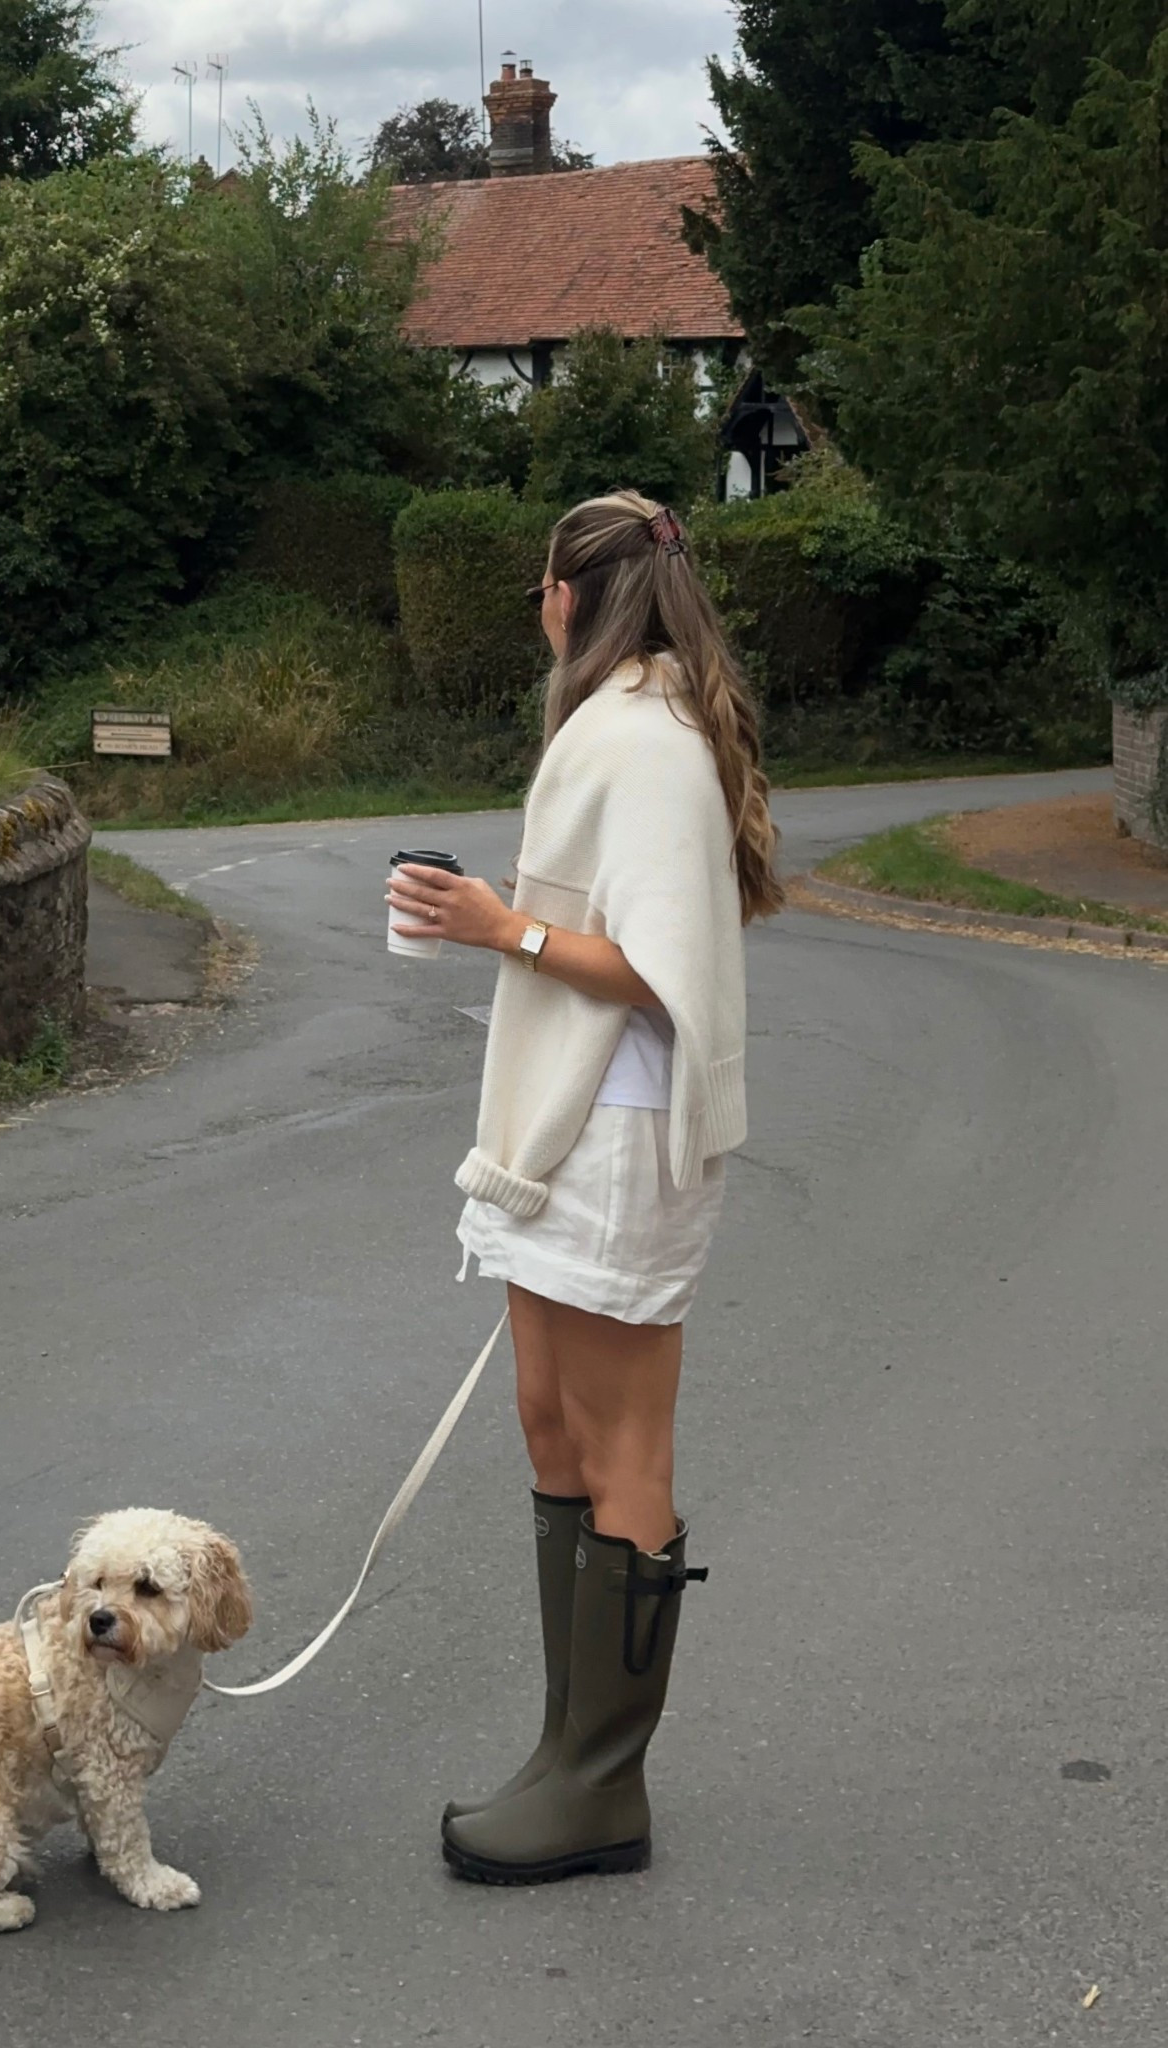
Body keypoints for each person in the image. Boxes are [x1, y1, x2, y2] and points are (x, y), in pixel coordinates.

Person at [387, 488, 783, 1887]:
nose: (535, 604)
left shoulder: (653, 741)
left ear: (581, 591)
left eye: (542, 583)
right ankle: (567, 1753)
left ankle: (606, 1786)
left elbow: (665, 972)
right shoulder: (612, 721)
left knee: (622, 1451)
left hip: (621, 1137)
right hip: (564, 1131)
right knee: (548, 1422)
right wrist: (498, 921)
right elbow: (606, 924)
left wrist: (508, 928)